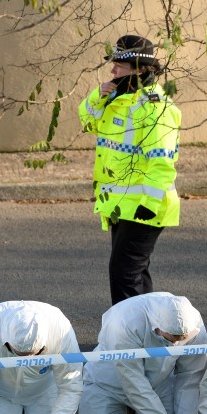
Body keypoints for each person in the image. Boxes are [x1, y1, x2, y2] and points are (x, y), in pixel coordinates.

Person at [77, 35, 182, 305]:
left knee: (125, 274)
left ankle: (129, 338)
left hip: (145, 207)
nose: (112, 71)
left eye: (118, 66)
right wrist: (97, 96)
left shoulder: (156, 108)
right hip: (121, 205)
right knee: (134, 273)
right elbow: (88, 123)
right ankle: (146, 337)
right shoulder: (117, 99)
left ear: (138, 69)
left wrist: (147, 204)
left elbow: (161, 161)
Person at [73, 292, 207, 414]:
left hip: (160, 383)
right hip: (109, 383)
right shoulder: (125, 322)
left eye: (181, 340)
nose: (175, 345)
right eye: (170, 339)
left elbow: (191, 374)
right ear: (158, 325)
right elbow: (134, 384)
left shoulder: (193, 323)